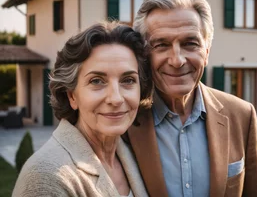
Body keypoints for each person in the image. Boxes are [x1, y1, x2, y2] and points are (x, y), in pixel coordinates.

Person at [127, 0, 257, 196]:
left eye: (190, 43)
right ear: (145, 55)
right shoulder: (124, 119)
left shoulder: (242, 115)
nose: (177, 60)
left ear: (207, 51)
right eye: (162, 45)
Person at [12, 22, 152, 197]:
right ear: (72, 96)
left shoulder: (133, 154)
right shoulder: (44, 177)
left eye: (128, 80)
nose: (116, 98)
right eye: (96, 81)